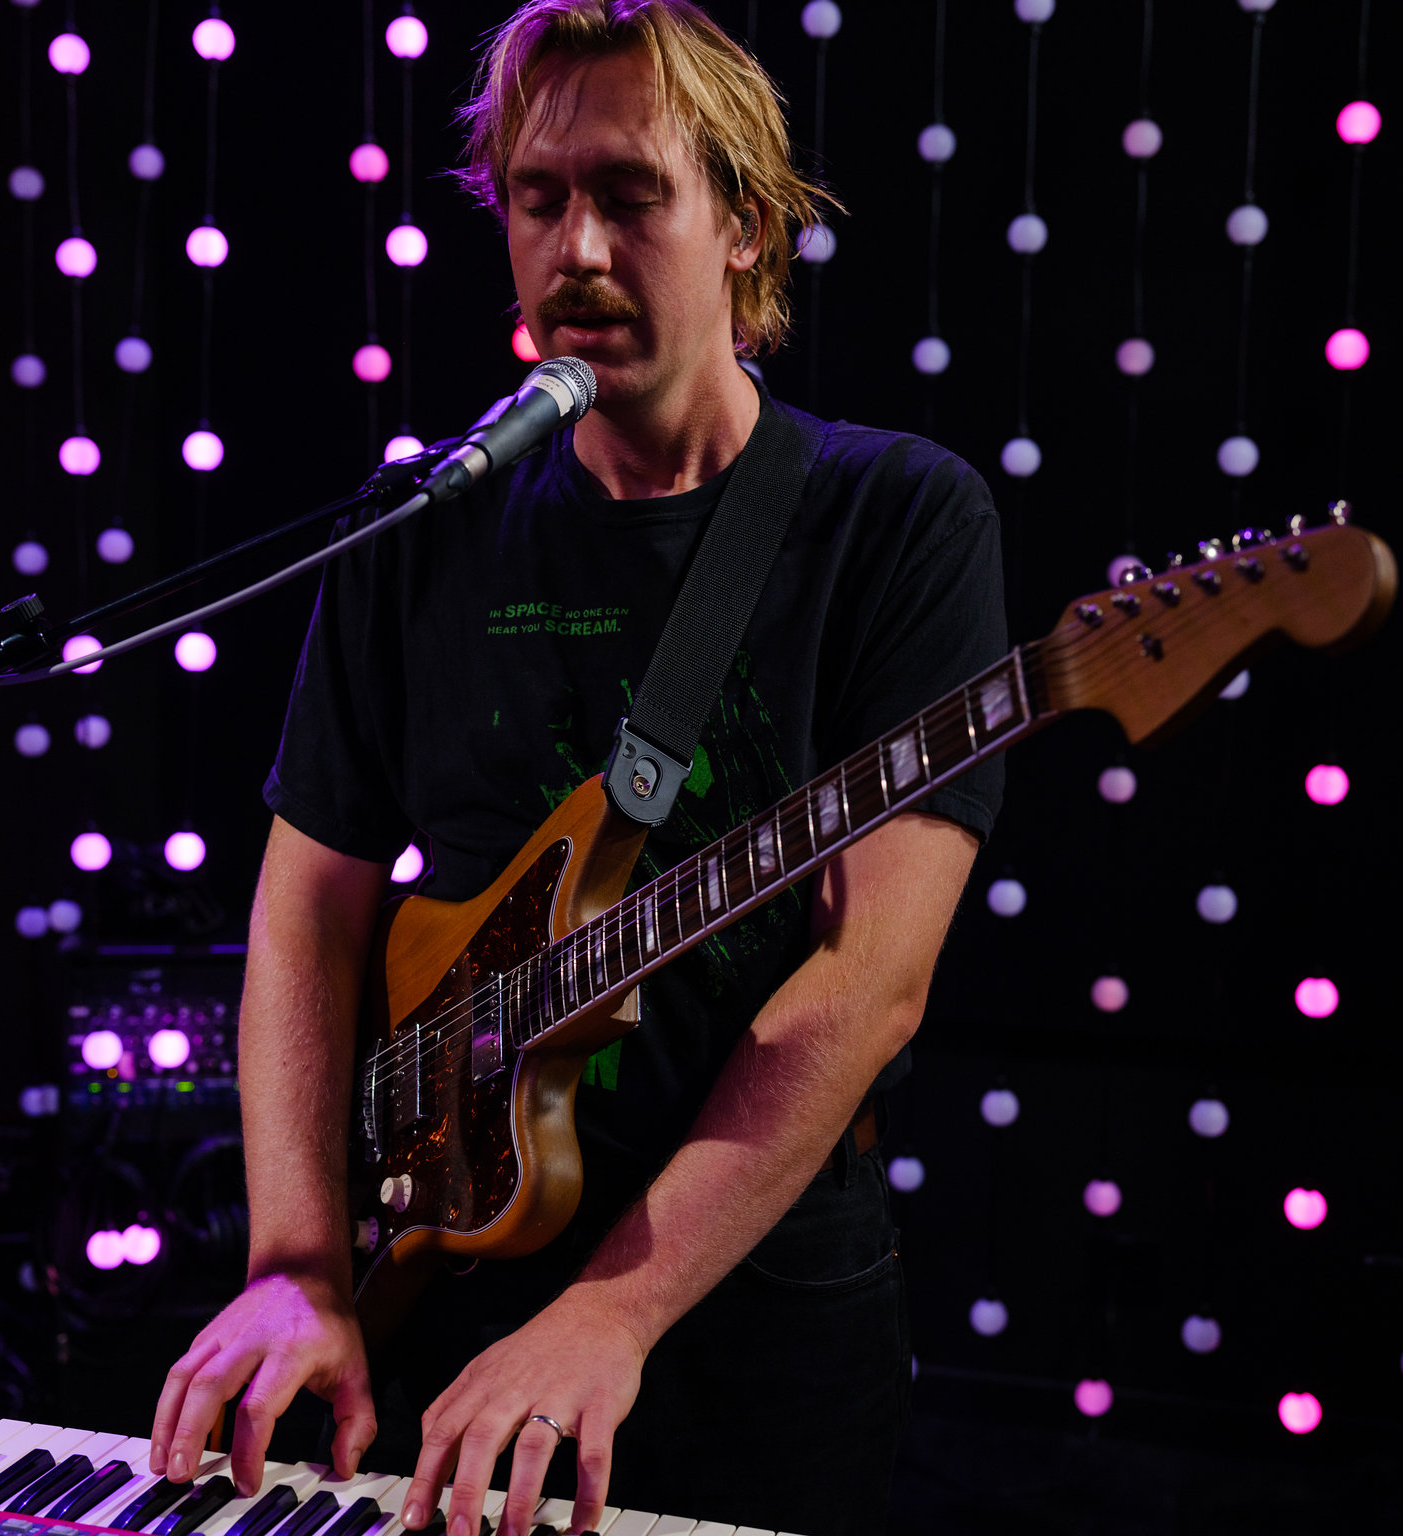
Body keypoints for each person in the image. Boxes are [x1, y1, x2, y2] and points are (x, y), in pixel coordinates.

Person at [149, 3, 1005, 1532]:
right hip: (439, 1283)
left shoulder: (896, 519)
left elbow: (867, 983)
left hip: (748, 1308)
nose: (578, 250)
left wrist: (614, 1310)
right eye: (539, 200)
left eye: (629, 194)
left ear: (746, 225)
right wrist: (298, 1266)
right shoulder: (418, 530)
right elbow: (308, 913)